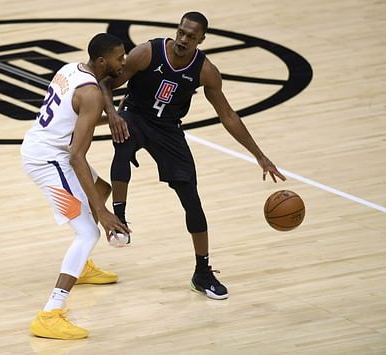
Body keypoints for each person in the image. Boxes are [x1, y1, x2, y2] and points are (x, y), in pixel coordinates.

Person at [100, 12, 286, 300]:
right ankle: (119, 220)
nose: (183, 39)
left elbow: (228, 116)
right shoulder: (148, 52)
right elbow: (105, 83)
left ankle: (202, 272)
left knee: (193, 201)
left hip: (168, 130)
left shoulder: (205, 71)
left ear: (201, 40)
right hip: (135, 115)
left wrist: (260, 156)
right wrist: (113, 114)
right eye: (181, 32)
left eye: (191, 36)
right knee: (122, 146)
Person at [21, 33, 129, 340]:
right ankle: (50, 313)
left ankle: (80, 267)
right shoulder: (92, 94)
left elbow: (82, 115)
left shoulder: (72, 69)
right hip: (48, 162)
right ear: (100, 61)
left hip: (46, 148)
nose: (123, 62)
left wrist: (114, 116)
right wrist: (104, 213)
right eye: (119, 58)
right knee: (90, 231)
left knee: (101, 188)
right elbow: (77, 155)